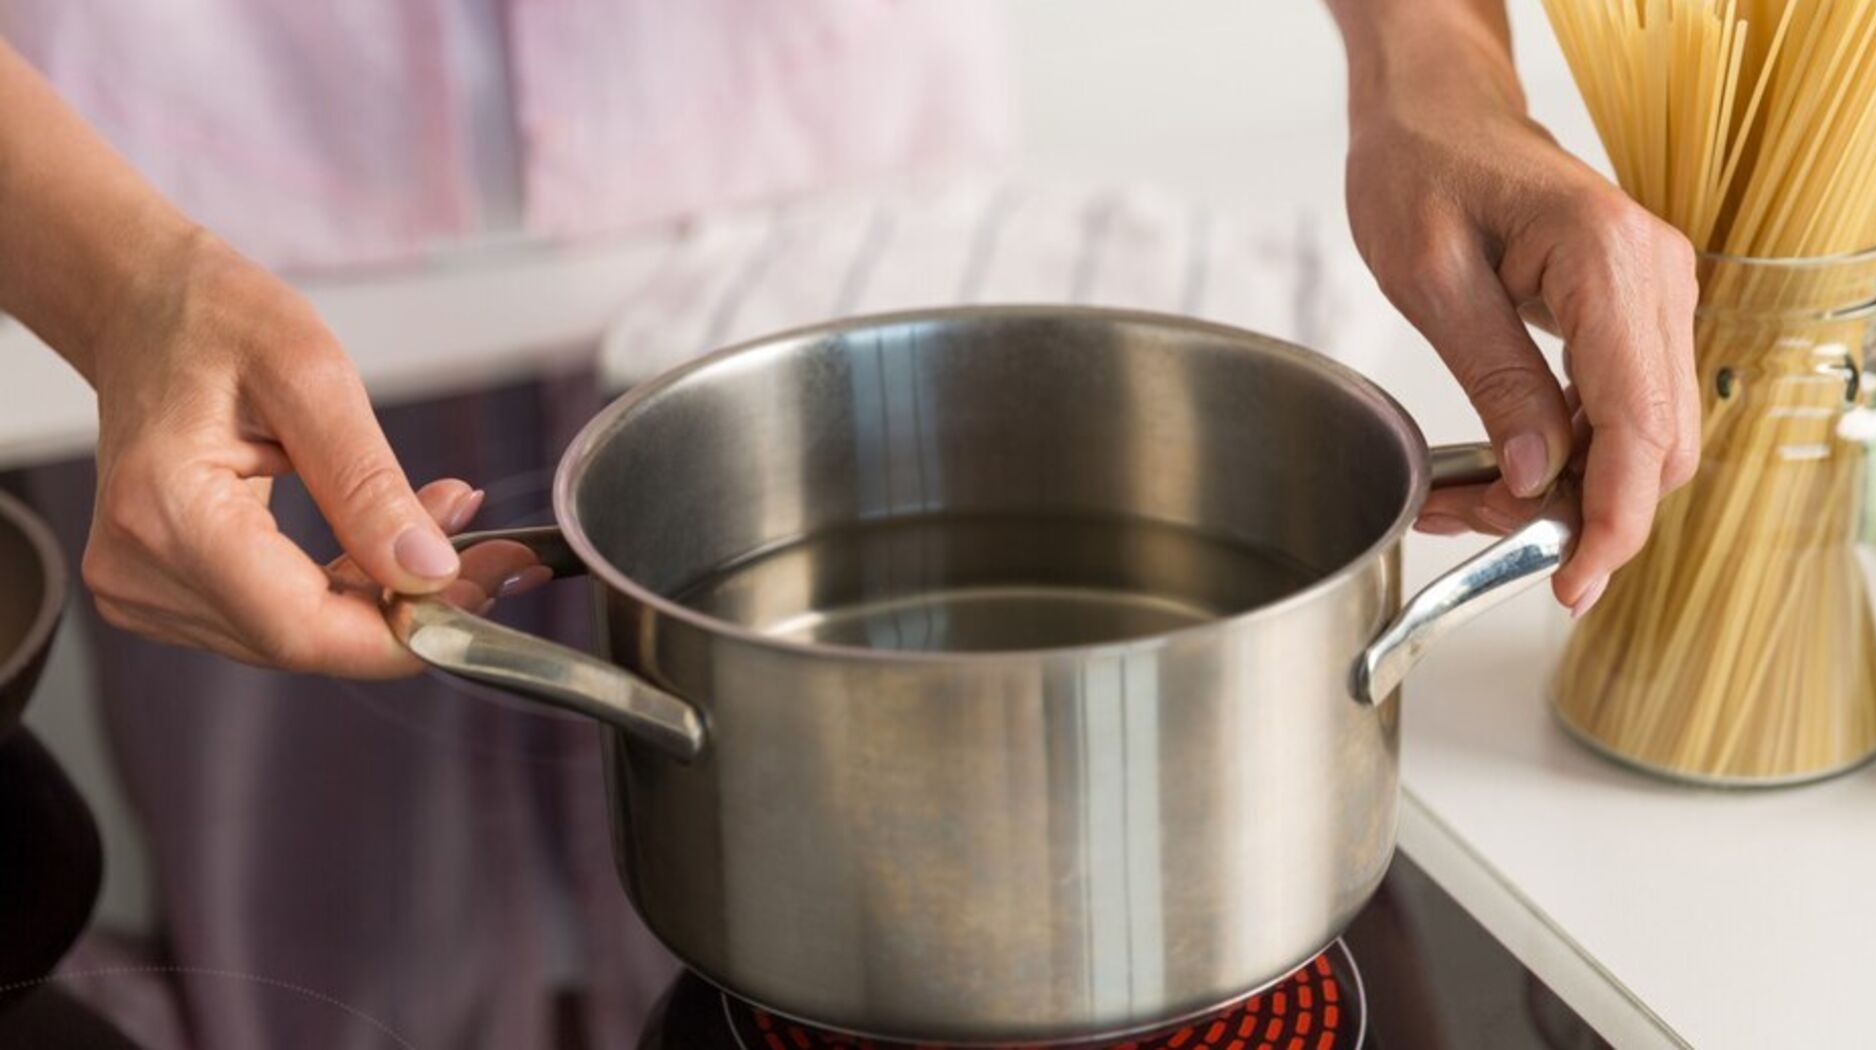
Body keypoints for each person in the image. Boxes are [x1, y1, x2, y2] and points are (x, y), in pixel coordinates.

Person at [0, 0, 1698, 1045]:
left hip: (810, 162)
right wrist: (125, 280)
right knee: (308, 947)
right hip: (199, 208)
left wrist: (1439, 68)